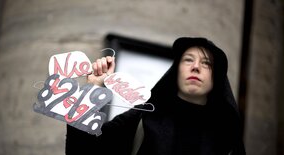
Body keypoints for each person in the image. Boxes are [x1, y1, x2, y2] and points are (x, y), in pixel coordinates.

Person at [65, 37, 246, 155]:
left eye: (206, 63)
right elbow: (82, 151)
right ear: (176, 70)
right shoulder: (143, 117)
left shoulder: (226, 136)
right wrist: (92, 91)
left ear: (217, 78)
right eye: (188, 59)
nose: (196, 67)